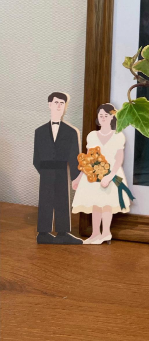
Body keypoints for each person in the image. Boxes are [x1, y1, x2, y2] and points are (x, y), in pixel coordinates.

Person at [71, 103, 130, 244]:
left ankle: (106, 233)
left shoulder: (118, 136)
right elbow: (87, 159)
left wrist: (110, 176)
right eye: (101, 115)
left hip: (110, 174)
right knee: (95, 204)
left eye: (106, 115)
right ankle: (95, 233)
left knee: (107, 204)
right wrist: (79, 177)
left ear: (112, 117)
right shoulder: (92, 136)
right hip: (93, 175)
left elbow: (119, 159)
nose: (103, 118)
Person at [33, 92, 83, 244]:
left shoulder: (71, 132)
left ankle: (63, 233)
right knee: (45, 200)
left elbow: (75, 156)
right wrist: (45, 172)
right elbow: (36, 157)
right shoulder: (40, 131)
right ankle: (43, 233)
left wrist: (76, 177)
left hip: (62, 170)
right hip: (46, 171)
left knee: (62, 200)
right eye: (56, 102)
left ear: (65, 106)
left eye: (62, 103)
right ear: (50, 105)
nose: (59, 105)